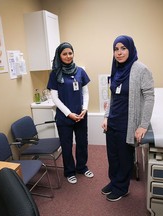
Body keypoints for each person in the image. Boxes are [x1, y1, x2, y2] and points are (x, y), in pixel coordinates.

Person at [101, 35, 154, 201]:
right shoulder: (116, 68)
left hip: (128, 122)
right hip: (113, 120)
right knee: (113, 156)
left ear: (130, 49)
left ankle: (122, 188)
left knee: (124, 157)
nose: (119, 52)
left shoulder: (141, 69)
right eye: (116, 49)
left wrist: (143, 125)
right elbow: (112, 96)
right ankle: (114, 181)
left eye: (123, 48)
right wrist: (106, 116)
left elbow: (149, 97)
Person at [47, 42, 94, 184]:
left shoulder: (80, 71)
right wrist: (69, 114)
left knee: (82, 143)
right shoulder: (55, 74)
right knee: (66, 145)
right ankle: (69, 171)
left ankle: (82, 167)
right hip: (64, 118)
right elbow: (55, 98)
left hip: (81, 116)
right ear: (59, 56)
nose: (68, 56)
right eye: (64, 54)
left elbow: (85, 93)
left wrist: (84, 109)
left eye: (70, 53)